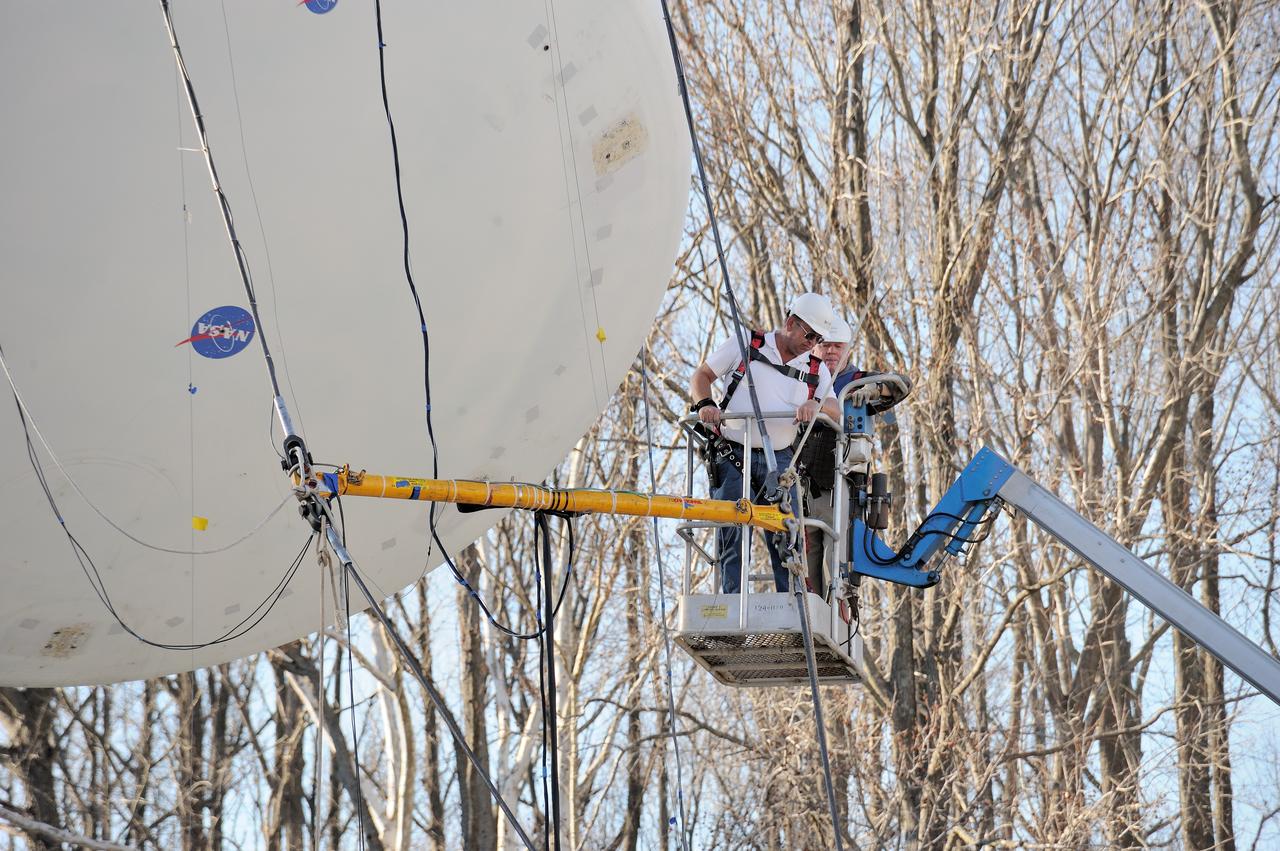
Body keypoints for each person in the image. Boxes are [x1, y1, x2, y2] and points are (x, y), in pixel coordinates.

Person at [688, 292, 841, 594]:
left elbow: (836, 409)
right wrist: (705, 403)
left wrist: (816, 405)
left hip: (780, 460)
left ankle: (791, 603)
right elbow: (701, 375)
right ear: (790, 323)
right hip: (733, 454)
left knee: (787, 532)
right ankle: (732, 600)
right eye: (808, 334)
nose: (812, 343)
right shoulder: (747, 343)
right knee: (731, 529)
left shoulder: (814, 369)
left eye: (818, 338)